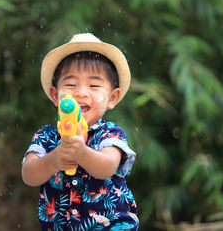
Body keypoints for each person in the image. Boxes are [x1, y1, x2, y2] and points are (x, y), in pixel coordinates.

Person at [21, 33, 139, 230]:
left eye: (94, 85)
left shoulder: (110, 134)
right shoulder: (46, 136)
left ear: (112, 97)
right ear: (55, 95)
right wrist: (54, 159)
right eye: (70, 84)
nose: (81, 92)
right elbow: (28, 174)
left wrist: (80, 152)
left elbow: (107, 167)